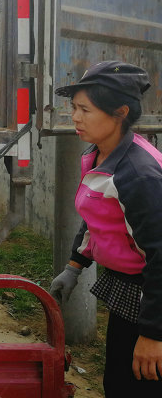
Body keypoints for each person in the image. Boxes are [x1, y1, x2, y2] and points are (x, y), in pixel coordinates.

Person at [49, 61, 162, 396]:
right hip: (129, 291)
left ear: (120, 112)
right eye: (74, 108)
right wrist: (74, 266)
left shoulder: (137, 175)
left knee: (138, 385)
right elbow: (97, 215)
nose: (75, 117)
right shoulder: (101, 155)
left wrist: (154, 334)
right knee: (117, 380)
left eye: (85, 109)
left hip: (151, 294)